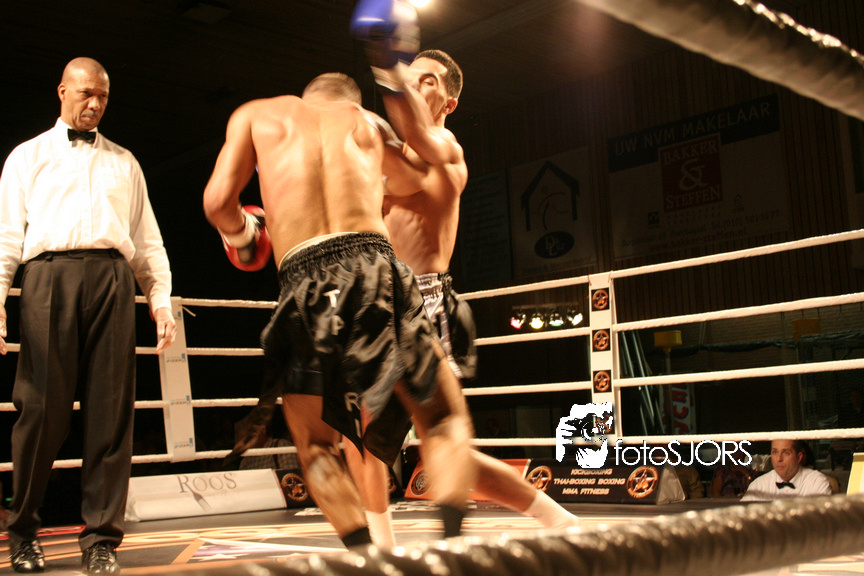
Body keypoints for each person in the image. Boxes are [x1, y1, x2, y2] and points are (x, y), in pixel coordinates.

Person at [202, 71, 476, 549]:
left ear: (306, 95)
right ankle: (452, 549)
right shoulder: (366, 121)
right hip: (374, 265)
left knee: (316, 445)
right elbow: (414, 181)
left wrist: (245, 234)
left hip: (302, 277)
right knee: (442, 419)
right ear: (350, 99)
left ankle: (367, 559)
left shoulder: (256, 114)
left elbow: (217, 203)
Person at [349, 4, 580, 544]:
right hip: (378, 303)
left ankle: (552, 520)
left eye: (427, 80)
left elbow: (409, 125)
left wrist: (386, 63)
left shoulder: (445, 150)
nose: (416, 84)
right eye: (412, 76)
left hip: (422, 303)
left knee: (436, 440)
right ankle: (383, 550)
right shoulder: (388, 155)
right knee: (375, 441)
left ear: (449, 101)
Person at [0, 57, 176, 574]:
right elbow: (6, 237)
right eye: (85, 94)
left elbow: (146, 240)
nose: (94, 104)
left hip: (112, 280)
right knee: (40, 410)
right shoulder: (27, 156)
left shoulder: (125, 162)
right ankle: (23, 532)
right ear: (62, 91)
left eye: (102, 96)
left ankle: (101, 540)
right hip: (47, 278)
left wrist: (160, 300)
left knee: (111, 413)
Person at [740, 439, 832, 502]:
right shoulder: (759, 485)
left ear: (799, 457)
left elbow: (821, 520)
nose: (779, 459)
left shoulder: (817, 481)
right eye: (775, 452)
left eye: (786, 453)